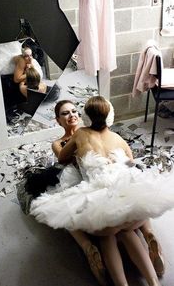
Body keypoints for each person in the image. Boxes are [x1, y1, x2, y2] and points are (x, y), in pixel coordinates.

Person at [30, 97, 174, 286]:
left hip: (98, 193)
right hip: (124, 192)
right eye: (65, 113)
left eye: (74, 111)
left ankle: (119, 280)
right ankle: (153, 280)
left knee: (108, 235)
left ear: (84, 116)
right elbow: (131, 163)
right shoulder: (116, 137)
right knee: (127, 230)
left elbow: (62, 158)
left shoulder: (80, 134)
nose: (71, 115)